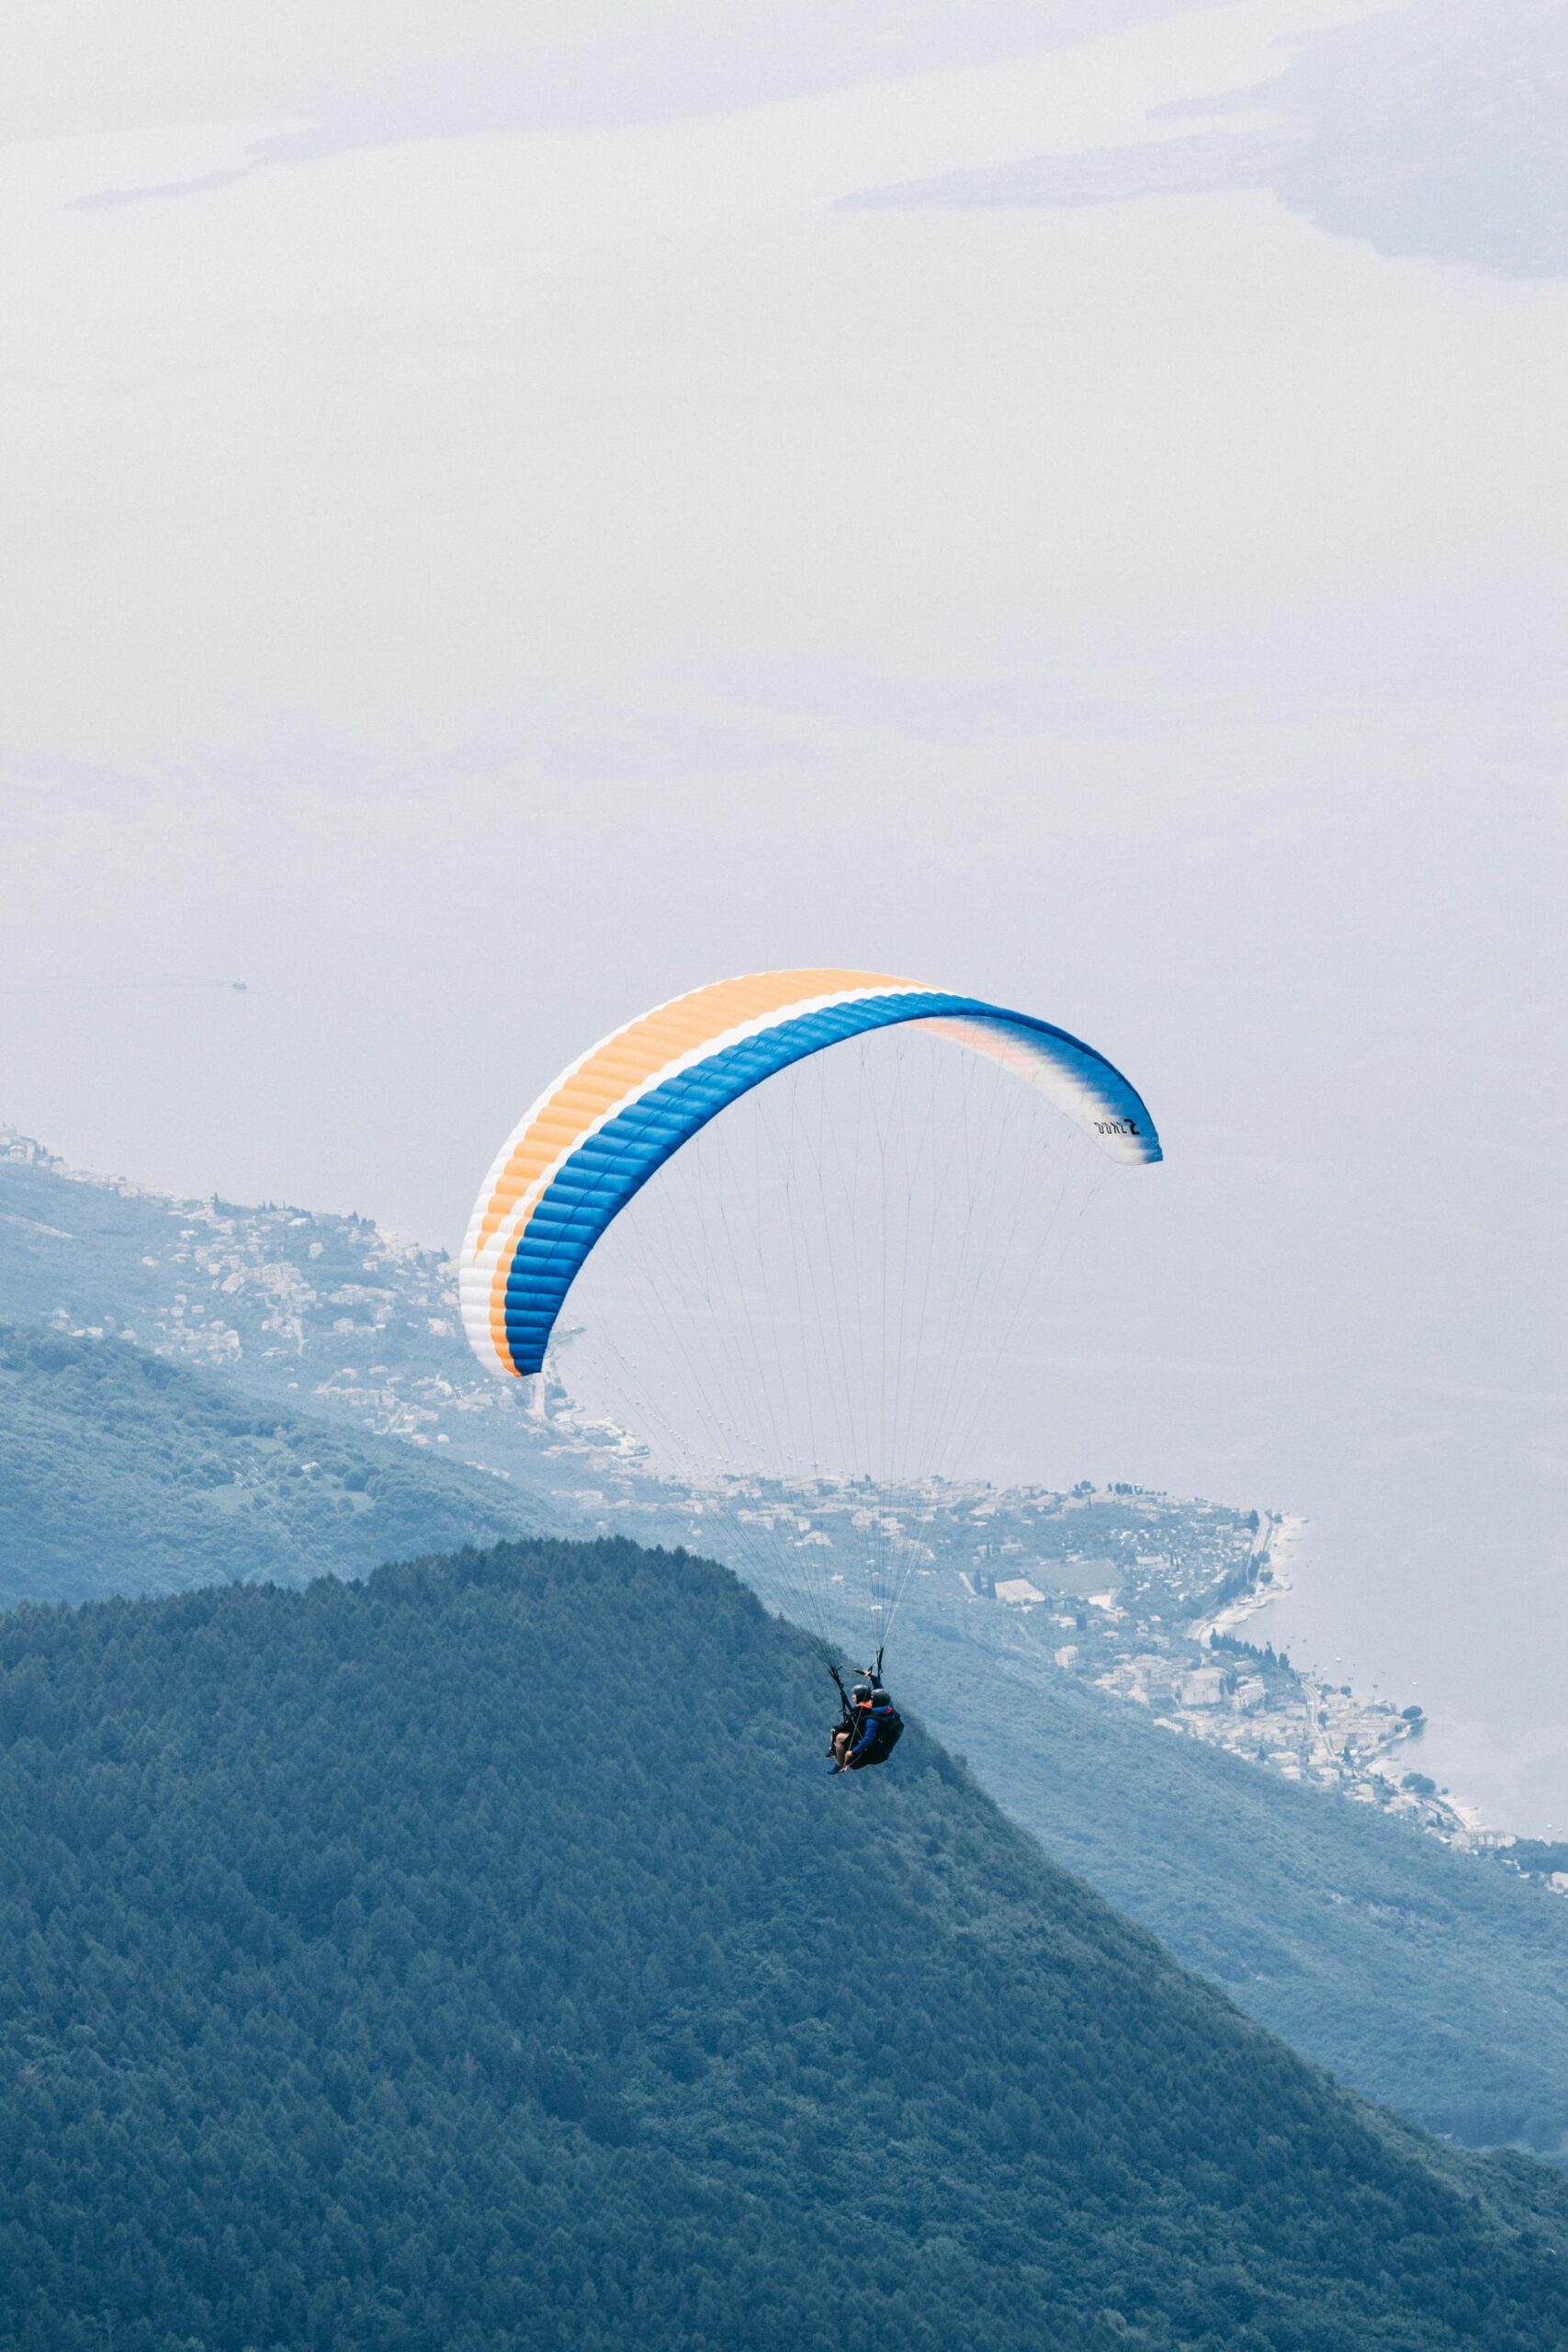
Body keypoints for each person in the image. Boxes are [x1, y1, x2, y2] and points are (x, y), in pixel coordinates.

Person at [828, 1679, 903, 1774]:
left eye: (872, 1699)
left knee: (839, 1738)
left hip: (872, 1754)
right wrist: (874, 1679)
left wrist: (853, 1752)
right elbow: (881, 1691)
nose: (870, 1700)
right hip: (884, 1752)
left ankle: (839, 1765)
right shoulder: (888, 1707)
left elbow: (868, 1740)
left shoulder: (873, 1720)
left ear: (876, 1703)